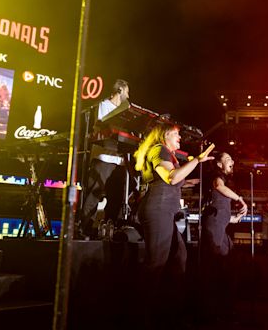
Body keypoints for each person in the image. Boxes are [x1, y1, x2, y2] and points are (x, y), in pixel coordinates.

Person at [134, 124, 214, 329]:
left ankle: (168, 312)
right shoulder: (158, 149)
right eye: (176, 134)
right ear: (164, 135)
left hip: (164, 211)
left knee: (178, 256)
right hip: (158, 210)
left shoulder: (168, 154)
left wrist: (191, 181)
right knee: (156, 263)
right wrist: (197, 160)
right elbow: (171, 177)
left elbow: (175, 179)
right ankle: (140, 316)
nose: (180, 137)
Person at [200, 152, 247, 323]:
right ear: (219, 164)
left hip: (220, 224)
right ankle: (211, 312)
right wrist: (240, 199)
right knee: (215, 267)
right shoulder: (217, 176)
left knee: (229, 262)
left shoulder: (224, 177)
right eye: (228, 159)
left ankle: (224, 308)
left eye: (232, 159)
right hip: (214, 227)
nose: (232, 161)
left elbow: (218, 205)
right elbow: (219, 187)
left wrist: (231, 218)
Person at [79, 79, 130, 238]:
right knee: (94, 195)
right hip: (103, 158)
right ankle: (85, 229)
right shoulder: (104, 105)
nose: (128, 95)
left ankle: (110, 229)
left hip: (118, 160)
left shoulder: (124, 111)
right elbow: (104, 128)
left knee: (116, 198)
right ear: (120, 90)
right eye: (127, 92)